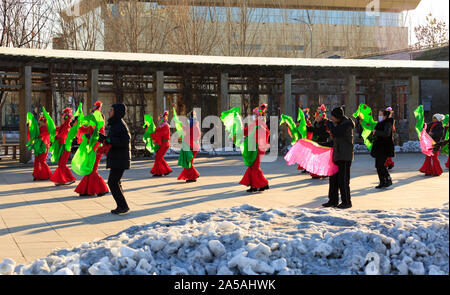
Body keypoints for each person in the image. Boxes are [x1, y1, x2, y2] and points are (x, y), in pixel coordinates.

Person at [99, 103, 131, 215]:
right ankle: (121, 206)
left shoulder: (120, 125)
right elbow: (111, 139)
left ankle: (123, 206)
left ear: (117, 112)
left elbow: (125, 140)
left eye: (111, 110)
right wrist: (102, 138)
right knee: (115, 182)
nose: (109, 112)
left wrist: (110, 141)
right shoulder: (115, 124)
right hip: (117, 157)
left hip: (120, 158)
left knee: (112, 182)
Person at [74, 101, 110, 197]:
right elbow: (85, 130)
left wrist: (90, 137)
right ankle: (86, 190)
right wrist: (78, 124)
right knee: (89, 169)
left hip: (96, 149)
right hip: (90, 149)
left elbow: (99, 136)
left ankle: (102, 189)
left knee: (92, 170)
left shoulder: (100, 127)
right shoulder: (92, 125)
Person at [323, 106, 355, 209]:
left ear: (338, 117)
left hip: (344, 157)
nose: (332, 119)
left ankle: (346, 202)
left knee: (343, 181)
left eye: (333, 117)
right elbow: (335, 141)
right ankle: (333, 200)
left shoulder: (346, 125)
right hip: (337, 156)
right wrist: (319, 144)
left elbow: (337, 132)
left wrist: (329, 124)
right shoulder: (340, 125)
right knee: (333, 180)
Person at [240, 104, 270, 193]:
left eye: (255, 114)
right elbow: (246, 131)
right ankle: (263, 184)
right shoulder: (255, 123)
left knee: (254, 167)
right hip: (253, 147)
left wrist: (262, 129)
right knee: (253, 167)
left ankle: (255, 186)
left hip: (259, 148)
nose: (254, 116)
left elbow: (267, 133)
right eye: (254, 114)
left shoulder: (262, 123)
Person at [50, 108, 76, 186]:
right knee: (61, 164)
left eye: (62, 118)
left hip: (66, 149)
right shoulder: (62, 127)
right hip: (62, 148)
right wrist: (49, 122)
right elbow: (55, 129)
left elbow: (63, 136)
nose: (61, 120)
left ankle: (68, 179)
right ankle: (61, 180)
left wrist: (57, 137)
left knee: (62, 164)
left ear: (66, 119)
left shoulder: (67, 127)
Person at [371, 110, 395, 189]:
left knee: (381, 165)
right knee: (378, 165)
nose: (379, 116)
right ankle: (382, 181)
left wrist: (376, 132)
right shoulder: (380, 123)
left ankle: (388, 179)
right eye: (379, 114)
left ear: (385, 116)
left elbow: (386, 133)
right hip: (379, 147)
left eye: (380, 114)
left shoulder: (387, 123)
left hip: (384, 147)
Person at [307, 104, 332, 178]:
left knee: (323, 159)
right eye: (316, 117)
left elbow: (328, 133)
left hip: (324, 143)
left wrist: (321, 135)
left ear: (321, 117)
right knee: (316, 158)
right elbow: (313, 130)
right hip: (317, 142)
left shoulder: (326, 123)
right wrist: (306, 127)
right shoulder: (316, 123)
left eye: (318, 117)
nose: (316, 118)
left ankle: (324, 173)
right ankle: (316, 173)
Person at [177, 110, 201, 183]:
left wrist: (185, 139)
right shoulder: (191, 126)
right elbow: (186, 130)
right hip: (189, 146)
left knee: (188, 162)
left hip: (193, 147)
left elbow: (194, 137)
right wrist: (180, 125)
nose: (189, 120)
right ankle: (192, 176)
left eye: (190, 118)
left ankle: (194, 175)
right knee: (188, 162)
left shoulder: (195, 127)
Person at [30, 114, 53, 181]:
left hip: (44, 146)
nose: (39, 122)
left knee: (42, 161)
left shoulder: (46, 128)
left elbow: (46, 135)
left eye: (41, 121)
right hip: (38, 146)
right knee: (37, 160)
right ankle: (37, 175)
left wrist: (39, 136)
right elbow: (35, 133)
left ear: (44, 122)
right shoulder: (40, 127)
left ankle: (48, 174)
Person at [150, 111, 172, 177]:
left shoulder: (166, 126)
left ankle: (164, 171)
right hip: (160, 143)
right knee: (158, 157)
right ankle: (160, 171)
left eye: (161, 117)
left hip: (164, 144)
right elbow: (156, 132)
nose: (159, 119)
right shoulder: (161, 125)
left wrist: (153, 134)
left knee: (159, 157)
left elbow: (161, 134)